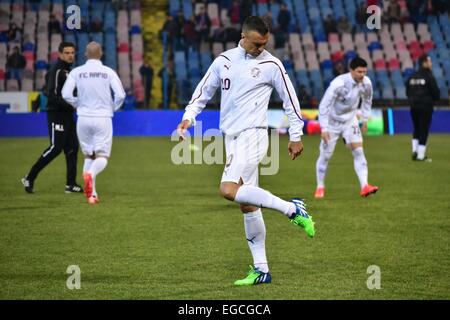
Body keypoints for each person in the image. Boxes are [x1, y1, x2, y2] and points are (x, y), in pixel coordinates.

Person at [176, 16, 315, 286]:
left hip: (253, 135)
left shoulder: (271, 64)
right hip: (231, 137)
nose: (260, 48)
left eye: (264, 43)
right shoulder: (224, 61)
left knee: (227, 190)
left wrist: (296, 136)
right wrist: (188, 118)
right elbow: (202, 93)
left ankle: (292, 208)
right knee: (247, 204)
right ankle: (261, 270)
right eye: (255, 43)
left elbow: (291, 101)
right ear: (243, 36)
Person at [62, 42, 125, 204]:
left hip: (83, 118)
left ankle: (92, 195)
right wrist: (112, 108)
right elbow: (121, 95)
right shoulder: (108, 72)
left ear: (85, 54)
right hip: (102, 117)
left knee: (89, 155)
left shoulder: (77, 72)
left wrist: (78, 104)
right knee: (102, 156)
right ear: (101, 53)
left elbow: (66, 94)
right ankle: (90, 175)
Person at [21, 42, 83, 194]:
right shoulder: (57, 71)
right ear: (60, 54)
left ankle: (70, 184)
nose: (70, 55)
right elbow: (52, 96)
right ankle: (29, 177)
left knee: (72, 148)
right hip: (57, 114)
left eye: (72, 52)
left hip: (67, 115)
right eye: (67, 53)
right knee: (56, 148)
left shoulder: (69, 71)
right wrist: (73, 105)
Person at [314, 57, 379, 199]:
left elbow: (368, 100)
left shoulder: (366, 83)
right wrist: (324, 128)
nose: (362, 75)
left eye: (364, 72)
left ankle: (365, 186)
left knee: (359, 152)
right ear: (351, 70)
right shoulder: (338, 84)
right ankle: (320, 186)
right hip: (332, 123)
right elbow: (324, 106)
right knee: (326, 156)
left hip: (350, 121)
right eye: (359, 71)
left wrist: (365, 119)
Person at [406, 54, 440, 162]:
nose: (431, 63)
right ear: (424, 63)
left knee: (416, 129)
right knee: (424, 130)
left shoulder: (412, 76)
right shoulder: (429, 76)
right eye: (429, 61)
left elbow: (407, 91)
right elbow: (436, 93)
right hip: (425, 106)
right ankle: (421, 156)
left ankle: (414, 152)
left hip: (413, 106)